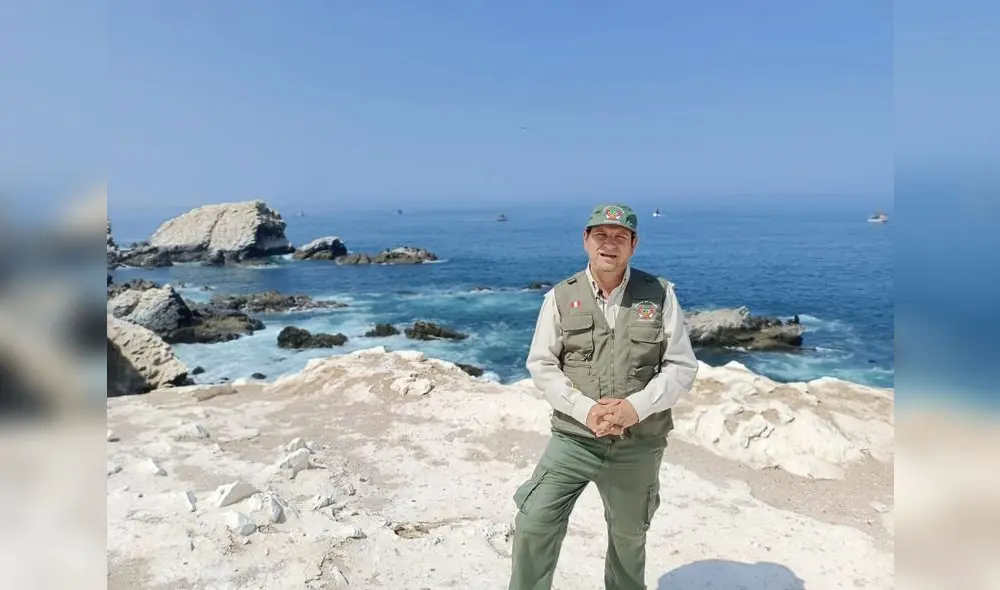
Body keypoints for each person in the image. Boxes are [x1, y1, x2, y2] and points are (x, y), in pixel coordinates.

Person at [507, 203, 699, 590]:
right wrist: (585, 409)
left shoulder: (660, 294)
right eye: (601, 235)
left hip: (638, 444)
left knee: (629, 538)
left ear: (633, 245)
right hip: (574, 439)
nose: (609, 244)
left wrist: (635, 408)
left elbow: (681, 366)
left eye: (619, 237)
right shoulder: (560, 297)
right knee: (534, 521)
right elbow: (542, 365)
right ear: (586, 240)